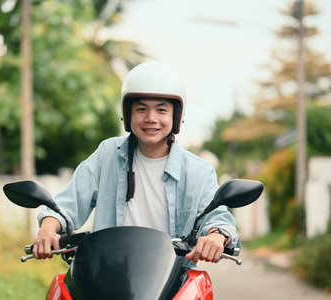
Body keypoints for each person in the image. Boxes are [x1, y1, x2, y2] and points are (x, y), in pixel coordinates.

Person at [33, 61, 238, 265]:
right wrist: (48, 228)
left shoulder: (198, 171)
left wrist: (216, 236)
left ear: (176, 116)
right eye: (141, 109)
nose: (151, 118)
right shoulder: (107, 155)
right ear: (128, 113)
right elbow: (69, 203)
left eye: (161, 110)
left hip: (172, 280)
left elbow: (218, 220)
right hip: (108, 274)